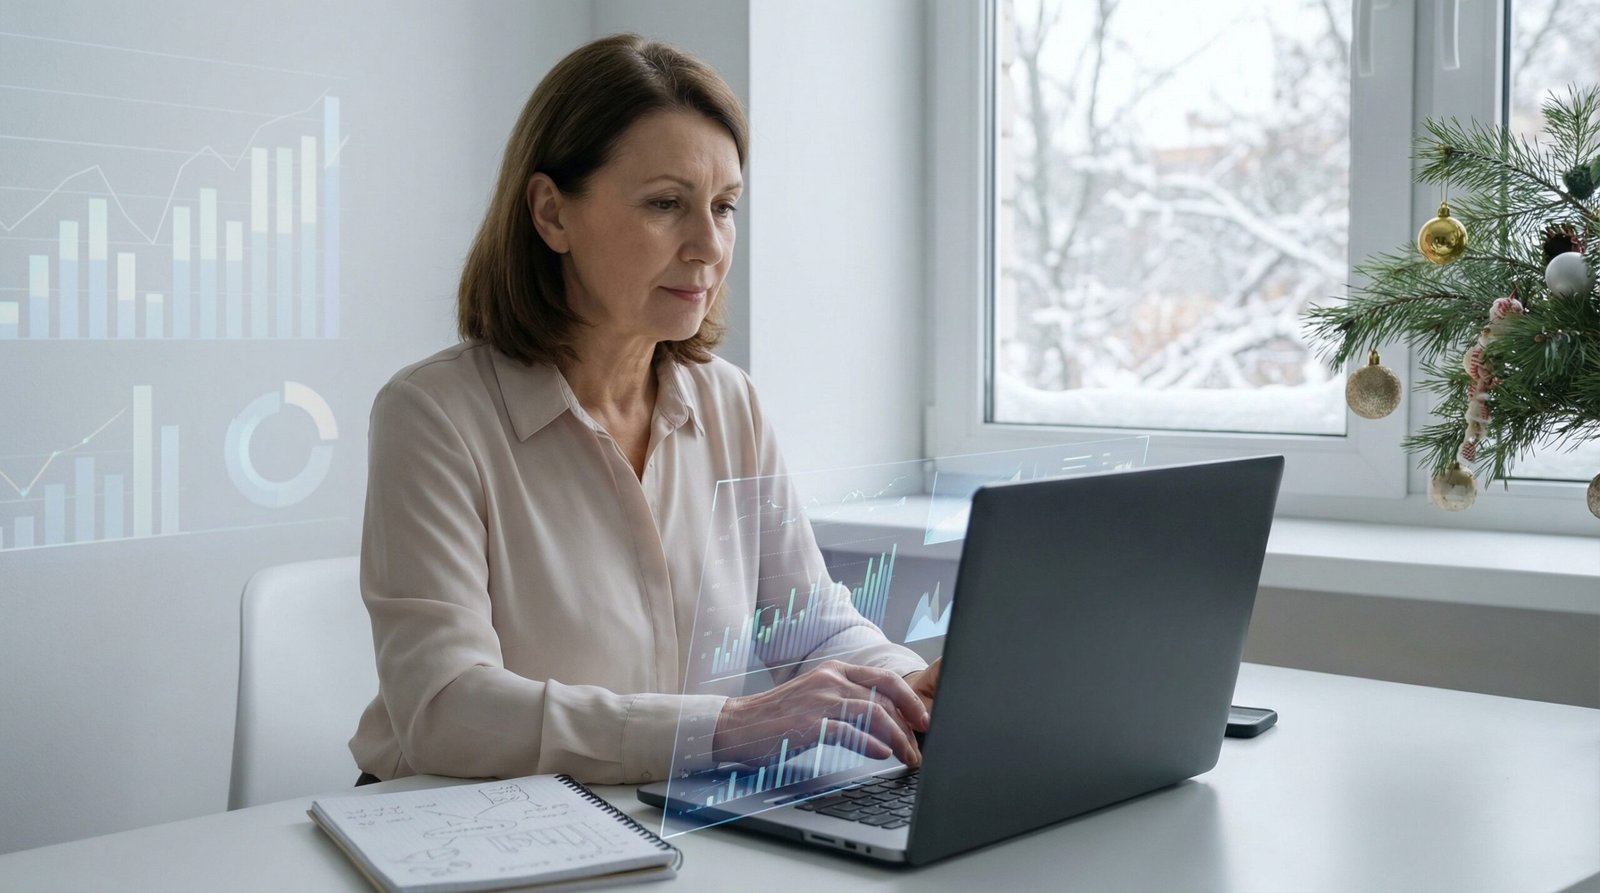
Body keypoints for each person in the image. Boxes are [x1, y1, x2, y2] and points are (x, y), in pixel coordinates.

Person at [349, 33, 939, 787]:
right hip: (459, 825)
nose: (708, 246)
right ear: (551, 215)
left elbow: (812, 623)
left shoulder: (731, 401)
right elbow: (445, 710)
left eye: (723, 207)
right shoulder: (432, 415)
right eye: (666, 204)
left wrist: (904, 684)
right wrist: (726, 727)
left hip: (657, 812)